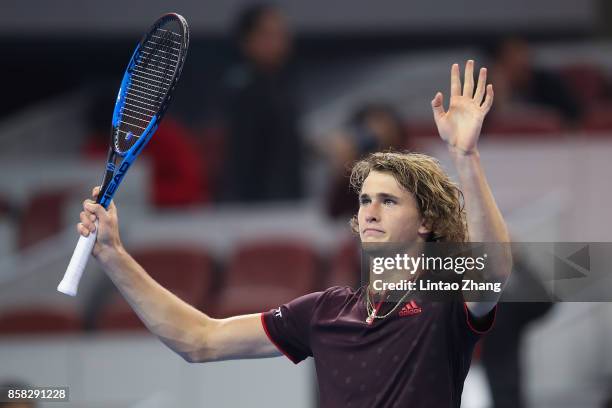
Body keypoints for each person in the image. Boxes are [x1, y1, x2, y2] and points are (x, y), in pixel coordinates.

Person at [76, 60, 511, 407]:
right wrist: (114, 255)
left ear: (426, 222)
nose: (371, 211)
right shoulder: (324, 313)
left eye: (389, 201)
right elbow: (198, 339)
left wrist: (465, 155)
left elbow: (492, 270)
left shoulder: (447, 296)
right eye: (364, 200)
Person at [220, 4, 303, 202]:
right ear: (246, 40)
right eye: (268, 34)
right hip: (255, 205)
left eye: (281, 34)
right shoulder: (241, 92)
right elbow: (243, 159)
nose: (278, 42)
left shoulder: (284, 86)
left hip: (289, 201)